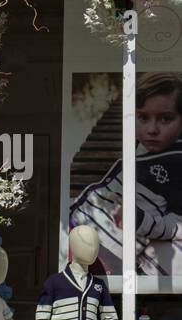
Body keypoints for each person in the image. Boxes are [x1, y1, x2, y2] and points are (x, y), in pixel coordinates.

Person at [70, 72, 182, 275]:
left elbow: (177, 226)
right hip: (83, 228)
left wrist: (139, 220)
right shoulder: (144, 149)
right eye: (143, 117)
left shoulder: (176, 162)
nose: (152, 129)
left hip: (109, 249)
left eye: (166, 119)